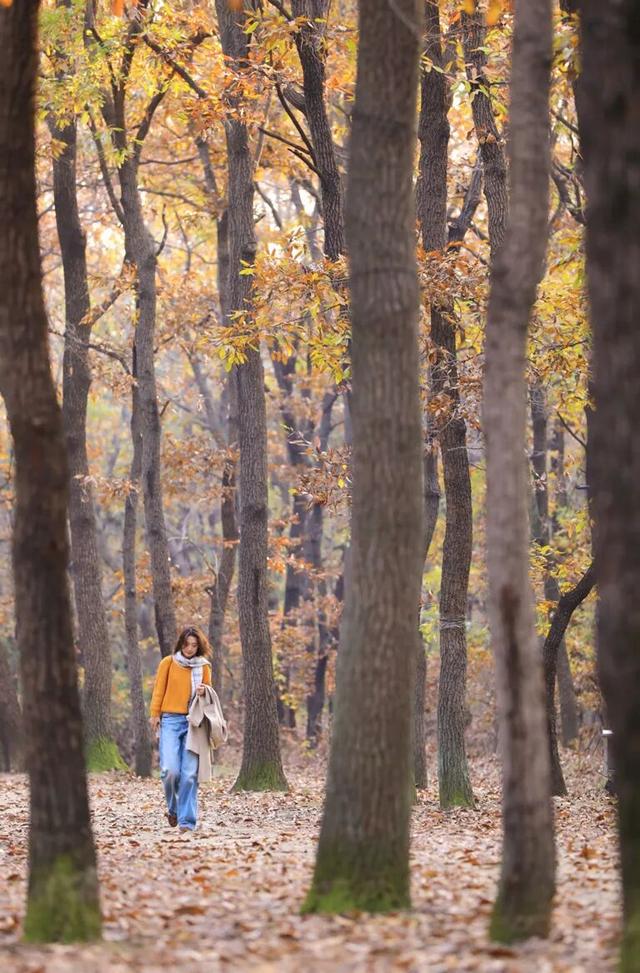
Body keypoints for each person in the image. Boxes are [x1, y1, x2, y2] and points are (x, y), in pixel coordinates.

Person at [149, 626, 213, 832]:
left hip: (195, 723)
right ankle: (173, 808)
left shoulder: (204, 667)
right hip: (170, 720)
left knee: (189, 774)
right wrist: (155, 714)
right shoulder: (168, 662)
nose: (189, 649)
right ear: (180, 644)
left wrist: (204, 690)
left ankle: (186, 822)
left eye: (194, 645)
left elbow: (210, 696)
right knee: (170, 770)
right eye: (186, 645)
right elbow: (159, 689)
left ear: (199, 646)